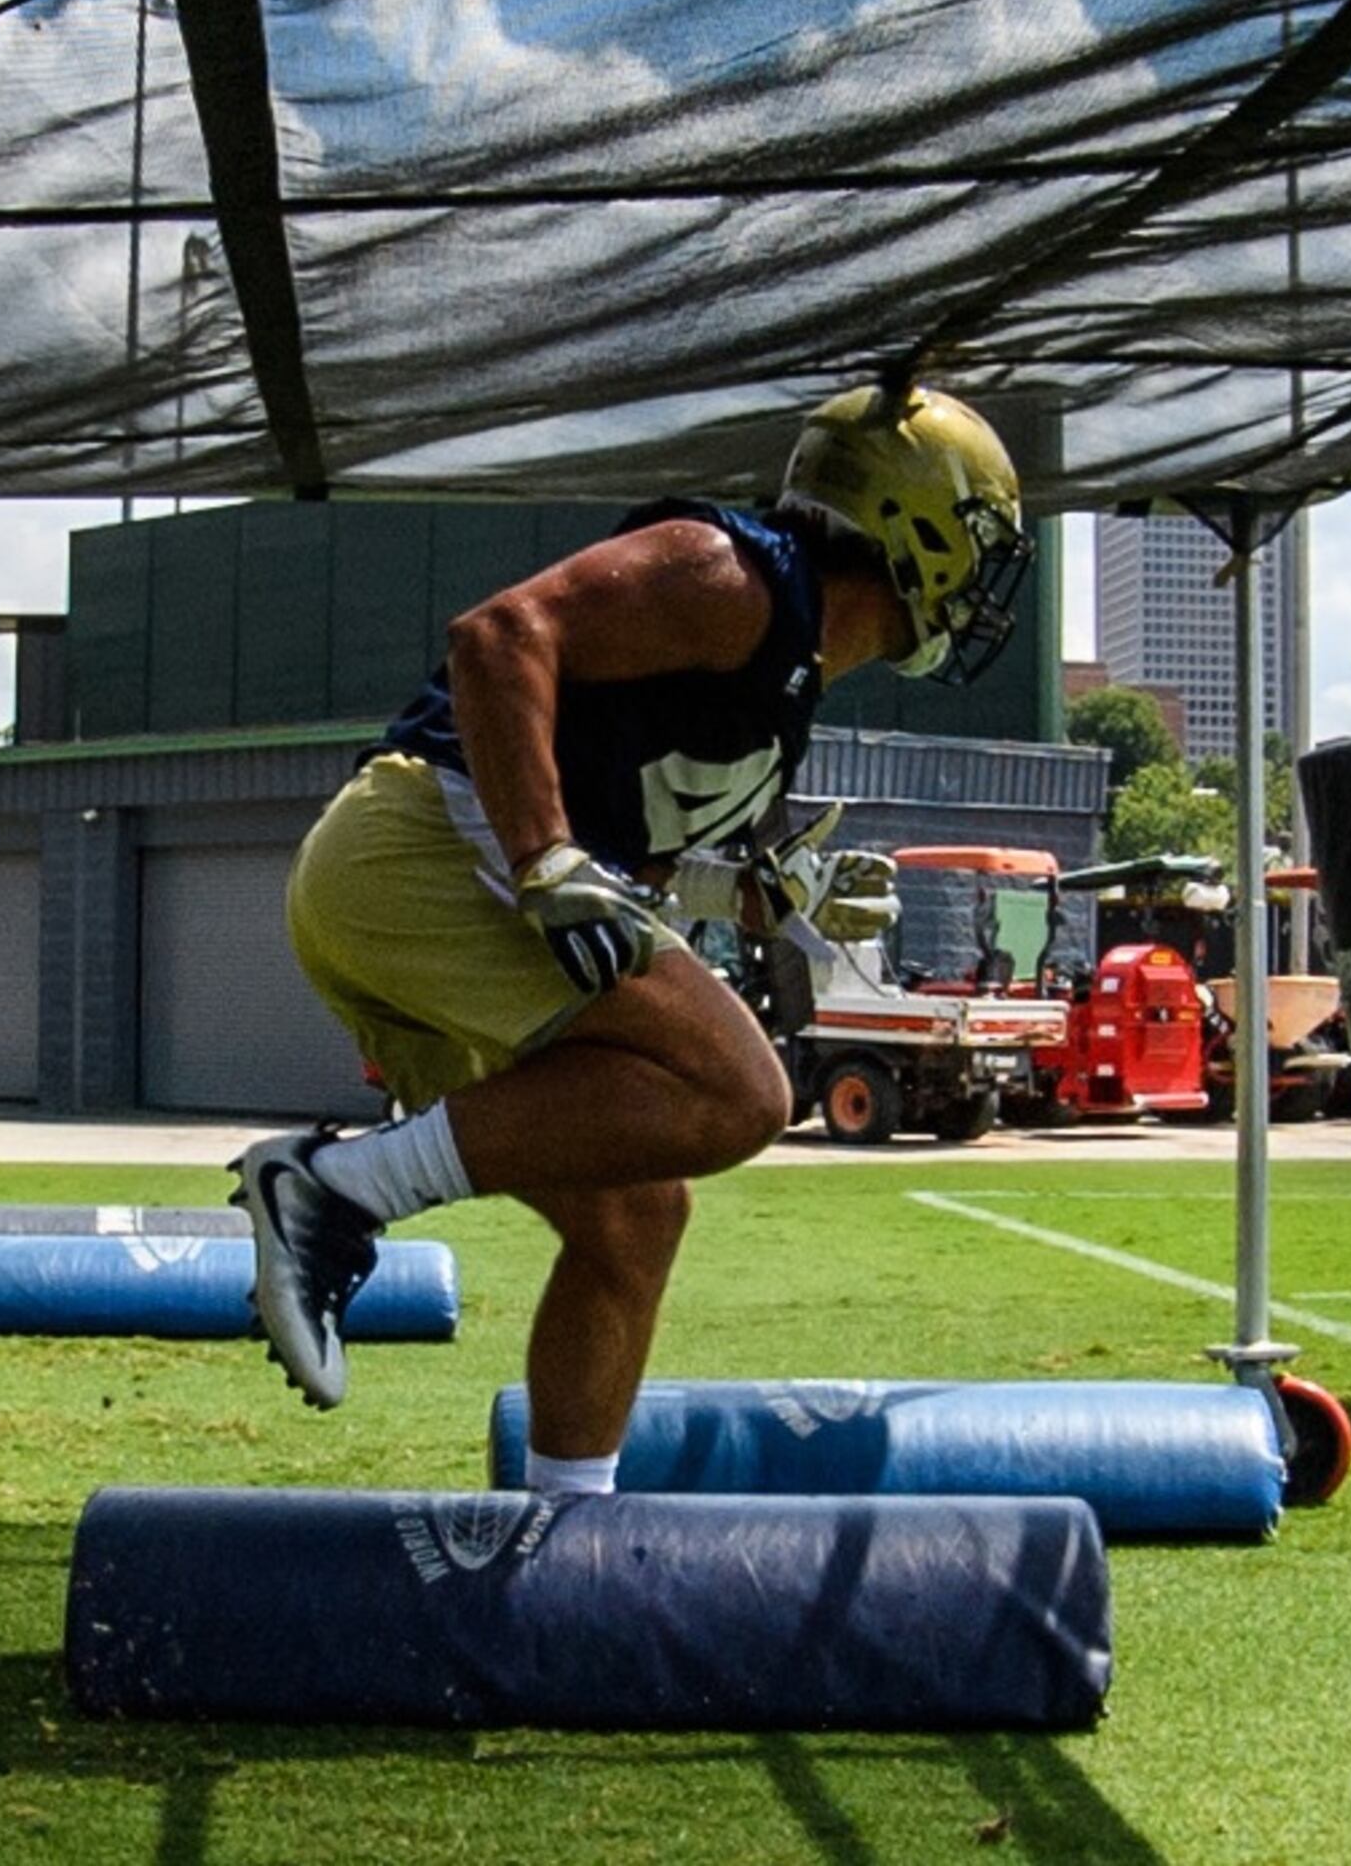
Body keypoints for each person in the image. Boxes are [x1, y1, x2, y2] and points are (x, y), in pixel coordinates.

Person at [230, 383, 1030, 1495]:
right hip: (416, 854)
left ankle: (566, 1531)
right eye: (978, 545)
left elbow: (629, 866)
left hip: (431, 880)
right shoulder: (740, 580)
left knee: (640, 1215)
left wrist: (760, 895)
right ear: (920, 522)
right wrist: (543, 853)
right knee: (741, 1092)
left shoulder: (782, 671)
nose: (983, 589)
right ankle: (334, 1188)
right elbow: (499, 638)